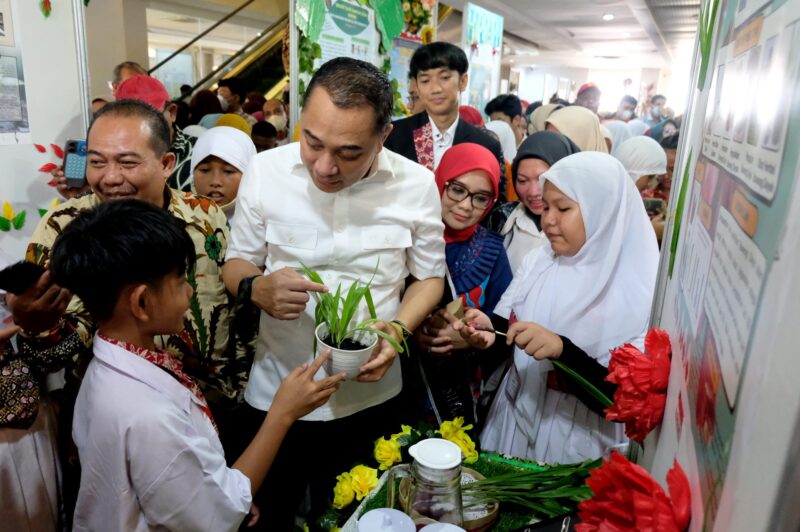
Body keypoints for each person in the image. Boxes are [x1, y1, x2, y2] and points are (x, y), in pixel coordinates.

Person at [221, 57, 446, 530]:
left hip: (372, 396)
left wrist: (399, 331)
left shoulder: (416, 185)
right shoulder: (266, 172)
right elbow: (237, 263)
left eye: (348, 152)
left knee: (360, 521)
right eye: (312, 142)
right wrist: (255, 286)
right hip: (278, 391)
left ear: (383, 137)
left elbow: (429, 278)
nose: (324, 166)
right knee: (270, 519)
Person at [8, 100, 250, 514]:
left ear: (167, 162)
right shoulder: (64, 229)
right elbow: (49, 357)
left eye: (127, 162)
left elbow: (231, 313)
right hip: (122, 431)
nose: (110, 178)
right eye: (97, 162)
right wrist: (37, 327)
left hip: (211, 414)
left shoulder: (207, 218)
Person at [49, 199, 345, 531]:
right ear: (142, 302)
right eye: (180, 282)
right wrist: (283, 414)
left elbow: (193, 490)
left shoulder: (110, 363)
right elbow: (217, 517)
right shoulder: (148, 416)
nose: (190, 290)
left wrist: (230, 489)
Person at [456, 151, 659, 464]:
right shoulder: (541, 259)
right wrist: (487, 331)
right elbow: (507, 327)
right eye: (547, 207)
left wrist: (563, 351)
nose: (548, 219)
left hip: (578, 441)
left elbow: (623, 400)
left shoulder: (637, 289)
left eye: (563, 208)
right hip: (513, 420)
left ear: (602, 211)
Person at [412, 143, 513, 428]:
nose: (466, 205)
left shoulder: (492, 252)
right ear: (439, 182)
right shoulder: (408, 238)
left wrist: (476, 336)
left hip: (459, 392)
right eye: (457, 189)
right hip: (403, 387)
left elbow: (505, 326)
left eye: (481, 198)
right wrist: (412, 335)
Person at [384, 42, 507, 201]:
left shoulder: (485, 144)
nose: (435, 89)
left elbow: (491, 202)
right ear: (417, 85)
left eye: (445, 77)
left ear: (463, 81)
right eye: (425, 80)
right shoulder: (395, 135)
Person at [486, 132, 581, 271]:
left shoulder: (585, 223)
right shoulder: (502, 219)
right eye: (522, 181)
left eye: (543, 179)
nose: (533, 192)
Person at [191, 126, 257, 220]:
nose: (215, 181)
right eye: (205, 170)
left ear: (248, 175)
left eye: (228, 171)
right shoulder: (179, 223)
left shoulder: (261, 226)